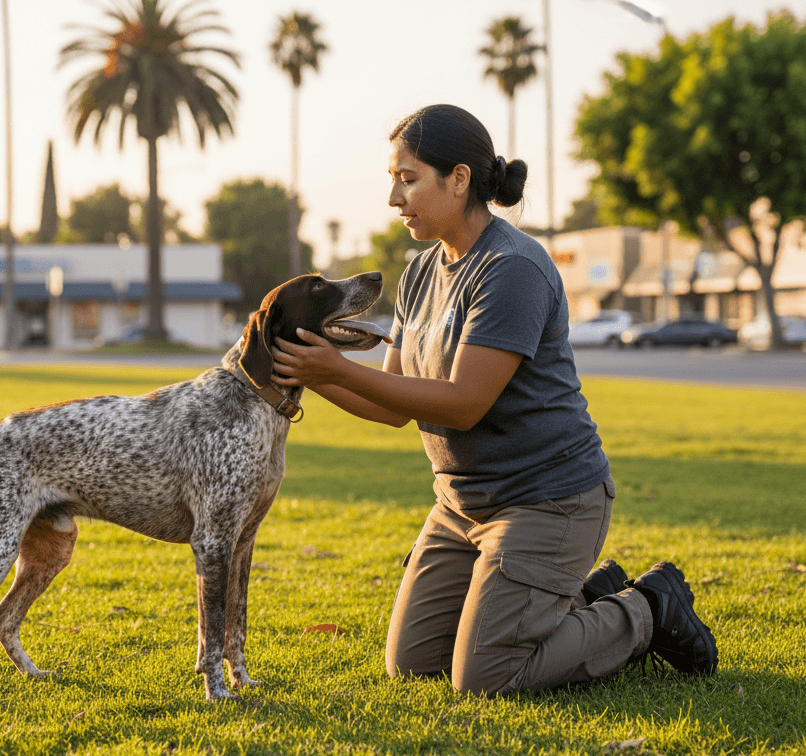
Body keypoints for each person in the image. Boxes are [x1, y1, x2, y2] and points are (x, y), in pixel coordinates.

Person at [270, 104, 717, 695]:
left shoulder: (512, 268)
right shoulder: (423, 271)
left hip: (547, 501)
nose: (393, 198)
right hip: (462, 507)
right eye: (393, 180)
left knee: (486, 678)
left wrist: (337, 369)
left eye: (408, 179)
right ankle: (585, 596)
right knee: (413, 663)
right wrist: (311, 370)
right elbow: (396, 404)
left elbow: (463, 404)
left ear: (459, 179)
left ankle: (646, 610)